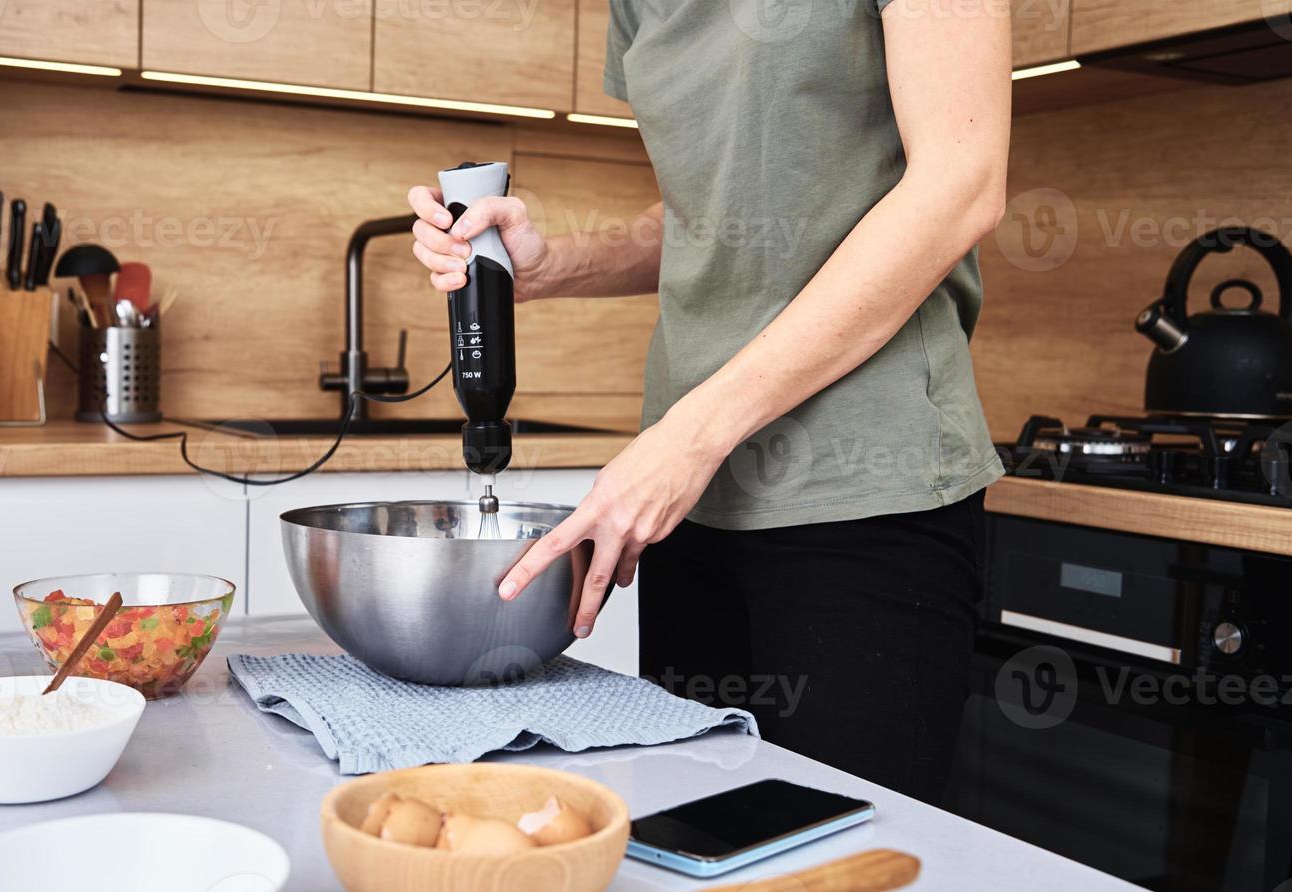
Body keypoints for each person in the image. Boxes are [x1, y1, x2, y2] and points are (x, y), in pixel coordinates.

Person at [406, 0, 1011, 804]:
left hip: (862, 489)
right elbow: (709, 217)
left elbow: (960, 185)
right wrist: (554, 266)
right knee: (689, 842)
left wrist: (691, 434)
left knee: (843, 889)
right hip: (696, 498)